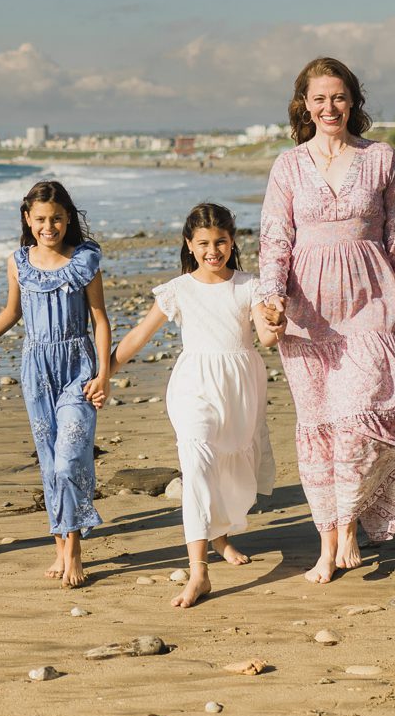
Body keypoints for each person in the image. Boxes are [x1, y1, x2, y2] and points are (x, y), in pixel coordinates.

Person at [255, 56, 395, 584]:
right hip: (307, 315)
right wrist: (270, 301)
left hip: (372, 305)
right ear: (304, 104)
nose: (330, 107)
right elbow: (276, 241)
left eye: (339, 97)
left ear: (354, 101)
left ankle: (347, 524)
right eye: (319, 98)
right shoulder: (288, 165)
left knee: (354, 419)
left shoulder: (381, 159)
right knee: (319, 429)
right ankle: (327, 542)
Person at [112, 203, 277, 609]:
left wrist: (275, 321)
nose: (213, 251)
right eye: (203, 243)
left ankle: (220, 536)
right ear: (189, 243)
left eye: (220, 241)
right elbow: (139, 335)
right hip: (193, 389)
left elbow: (266, 338)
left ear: (232, 240)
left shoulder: (249, 285)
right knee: (198, 465)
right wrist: (104, 372)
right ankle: (199, 571)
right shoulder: (179, 289)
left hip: (239, 389)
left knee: (229, 468)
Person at [0, 181, 111, 588]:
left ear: (68, 217)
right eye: (40, 219)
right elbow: (11, 312)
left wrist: (104, 374)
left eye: (56, 218)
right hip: (36, 371)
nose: (48, 226)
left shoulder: (84, 260)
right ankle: (60, 544)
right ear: (27, 220)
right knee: (50, 461)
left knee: (70, 459)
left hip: (78, 369)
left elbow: (100, 320)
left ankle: (73, 551)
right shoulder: (18, 261)